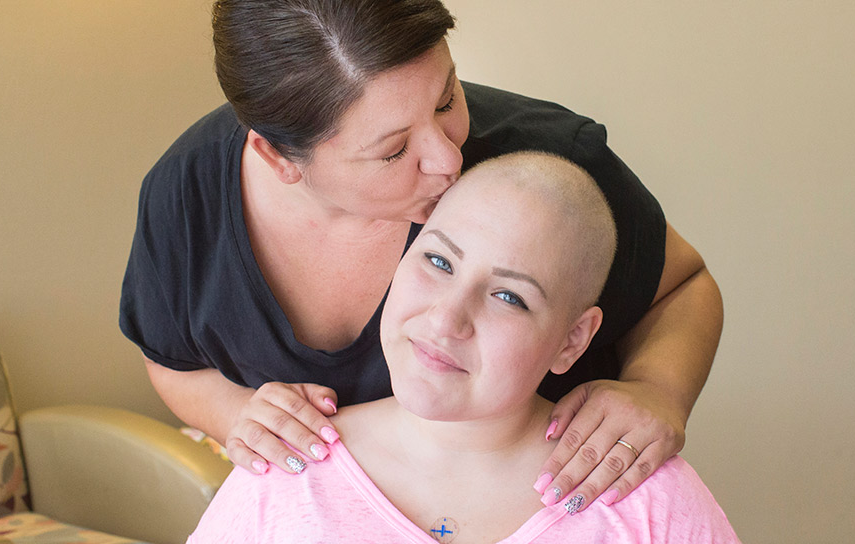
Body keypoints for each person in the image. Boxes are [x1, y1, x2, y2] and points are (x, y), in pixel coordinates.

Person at [119, 0, 724, 511]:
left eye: (445, 98)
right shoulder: (186, 194)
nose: (448, 161)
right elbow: (172, 360)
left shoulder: (547, 170)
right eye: (392, 150)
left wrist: (657, 389)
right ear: (279, 160)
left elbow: (683, 285)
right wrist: (245, 417)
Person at [188, 152, 738, 543]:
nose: (447, 318)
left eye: (507, 296)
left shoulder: (643, 496)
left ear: (572, 341)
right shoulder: (287, 472)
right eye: (439, 262)